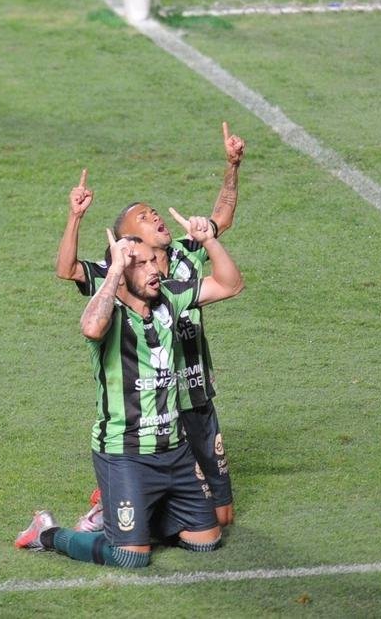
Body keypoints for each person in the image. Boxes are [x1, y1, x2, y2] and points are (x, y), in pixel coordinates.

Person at [16, 226, 243, 567]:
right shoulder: (110, 312)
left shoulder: (169, 296)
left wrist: (209, 239)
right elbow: (91, 327)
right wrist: (115, 273)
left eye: (154, 261)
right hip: (126, 454)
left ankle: (135, 513)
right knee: (130, 557)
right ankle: (48, 534)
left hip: (177, 451)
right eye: (141, 264)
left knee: (207, 541)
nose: (154, 269)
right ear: (121, 274)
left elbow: (230, 284)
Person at [56, 122, 245, 531]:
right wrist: (75, 216)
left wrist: (232, 165)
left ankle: (138, 509)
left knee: (223, 516)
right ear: (128, 239)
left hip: (195, 392)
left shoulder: (185, 255)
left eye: (154, 212)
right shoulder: (118, 275)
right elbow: (67, 269)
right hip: (156, 403)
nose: (157, 216)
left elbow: (221, 218)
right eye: (145, 216)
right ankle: (119, 506)